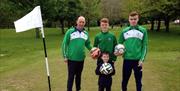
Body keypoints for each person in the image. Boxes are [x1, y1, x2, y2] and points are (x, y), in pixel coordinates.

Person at [116, 11, 148, 91]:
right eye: (131, 19)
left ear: (138, 19)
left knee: (138, 81)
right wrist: (118, 51)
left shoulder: (143, 31)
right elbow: (119, 44)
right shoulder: (124, 31)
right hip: (127, 60)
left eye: (135, 19)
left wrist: (142, 59)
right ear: (129, 20)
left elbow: (145, 46)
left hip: (138, 61)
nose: (133, 21)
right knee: (125, 80)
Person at [62, 16, 92, 91]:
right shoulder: (70, 31)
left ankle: (78, 89)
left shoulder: (85, 33)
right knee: (71, 76)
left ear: (85, 23)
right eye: (80, 21)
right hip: (71, 59)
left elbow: (88, 44)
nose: (81, 23)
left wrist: (93, 50)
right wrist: (65, 56)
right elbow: (64, 44)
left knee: (79, 76)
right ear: (77, 22)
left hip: (81, 59)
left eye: (83, 22)